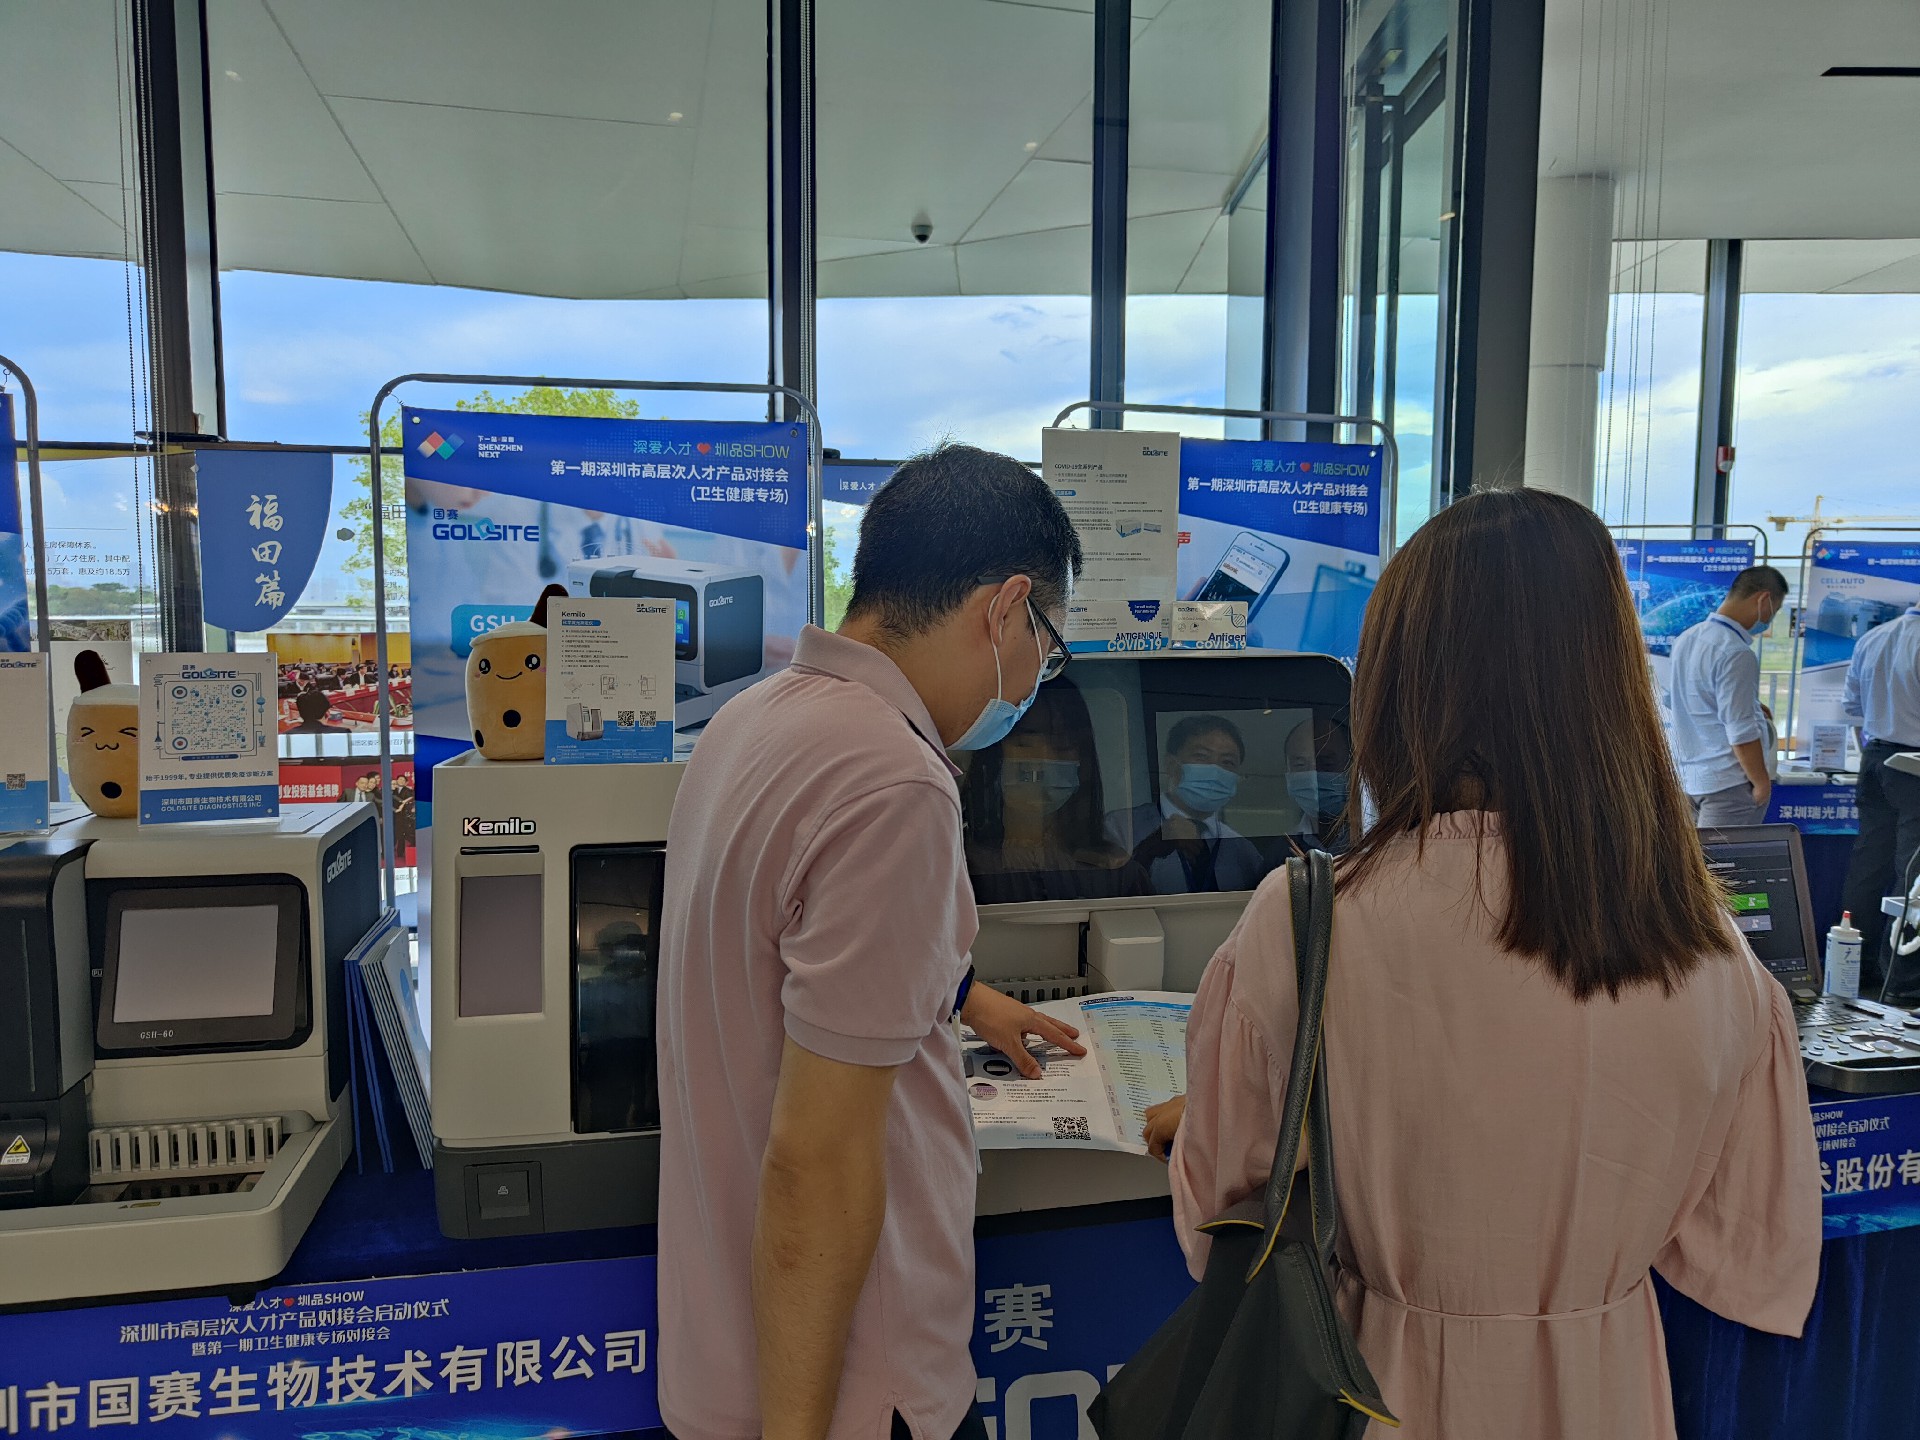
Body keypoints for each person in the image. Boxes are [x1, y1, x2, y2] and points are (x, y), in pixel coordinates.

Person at [1147, 488, 1820, 1439]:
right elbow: (1748, 1245)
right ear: (1614, 680)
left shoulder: (1307, 923)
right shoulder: (1707, 944)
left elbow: (1220, 1213)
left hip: (1374, 1394)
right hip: (1610, 1391)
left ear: (1393, 684)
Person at [657, 442, 1090, 1440]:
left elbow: (792, 948)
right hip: (850, 1386)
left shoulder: (754, 721)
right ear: (1004, 607)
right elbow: (819, 1161)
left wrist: (967, 996)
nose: (1034, 678)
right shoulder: (892, 782)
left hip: (730, 1356)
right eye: (1048, 645)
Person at [960, 678, 1149, 906]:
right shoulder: (958, 866)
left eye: (1063, 746)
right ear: (992, 756)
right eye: (1024, 743)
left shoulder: (1118, 872)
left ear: (1083, 761)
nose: (1043, 760)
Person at [1665, 566, 1788, 827]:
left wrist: (1753, 706)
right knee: (1727, 866)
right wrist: (1761, 781)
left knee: (1698, 863)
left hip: (1692, 778)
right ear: (1763, 600)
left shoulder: (1686, 639)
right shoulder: (1736, 652)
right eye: (1774, 611)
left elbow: (1679, 700)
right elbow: (1740, 730)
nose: (1769, 619)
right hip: (1729, 783)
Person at [1840, 600, 1920, 1000]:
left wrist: (1870, 752)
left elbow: (1851, 708)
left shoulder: (1873, 637)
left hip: (1873, 760)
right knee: (1914, 873)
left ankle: (1855, 967)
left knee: (1868, 865)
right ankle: (1902, 981)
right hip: (1914, 765)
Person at [1108, 714, 1267, 893]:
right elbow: (1103, 893)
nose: (1214, 770)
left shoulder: (1241, 849)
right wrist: (1147, 850)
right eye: (1201, 757)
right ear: (1171, 765)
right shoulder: (1120, 827)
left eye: (1227, 762)